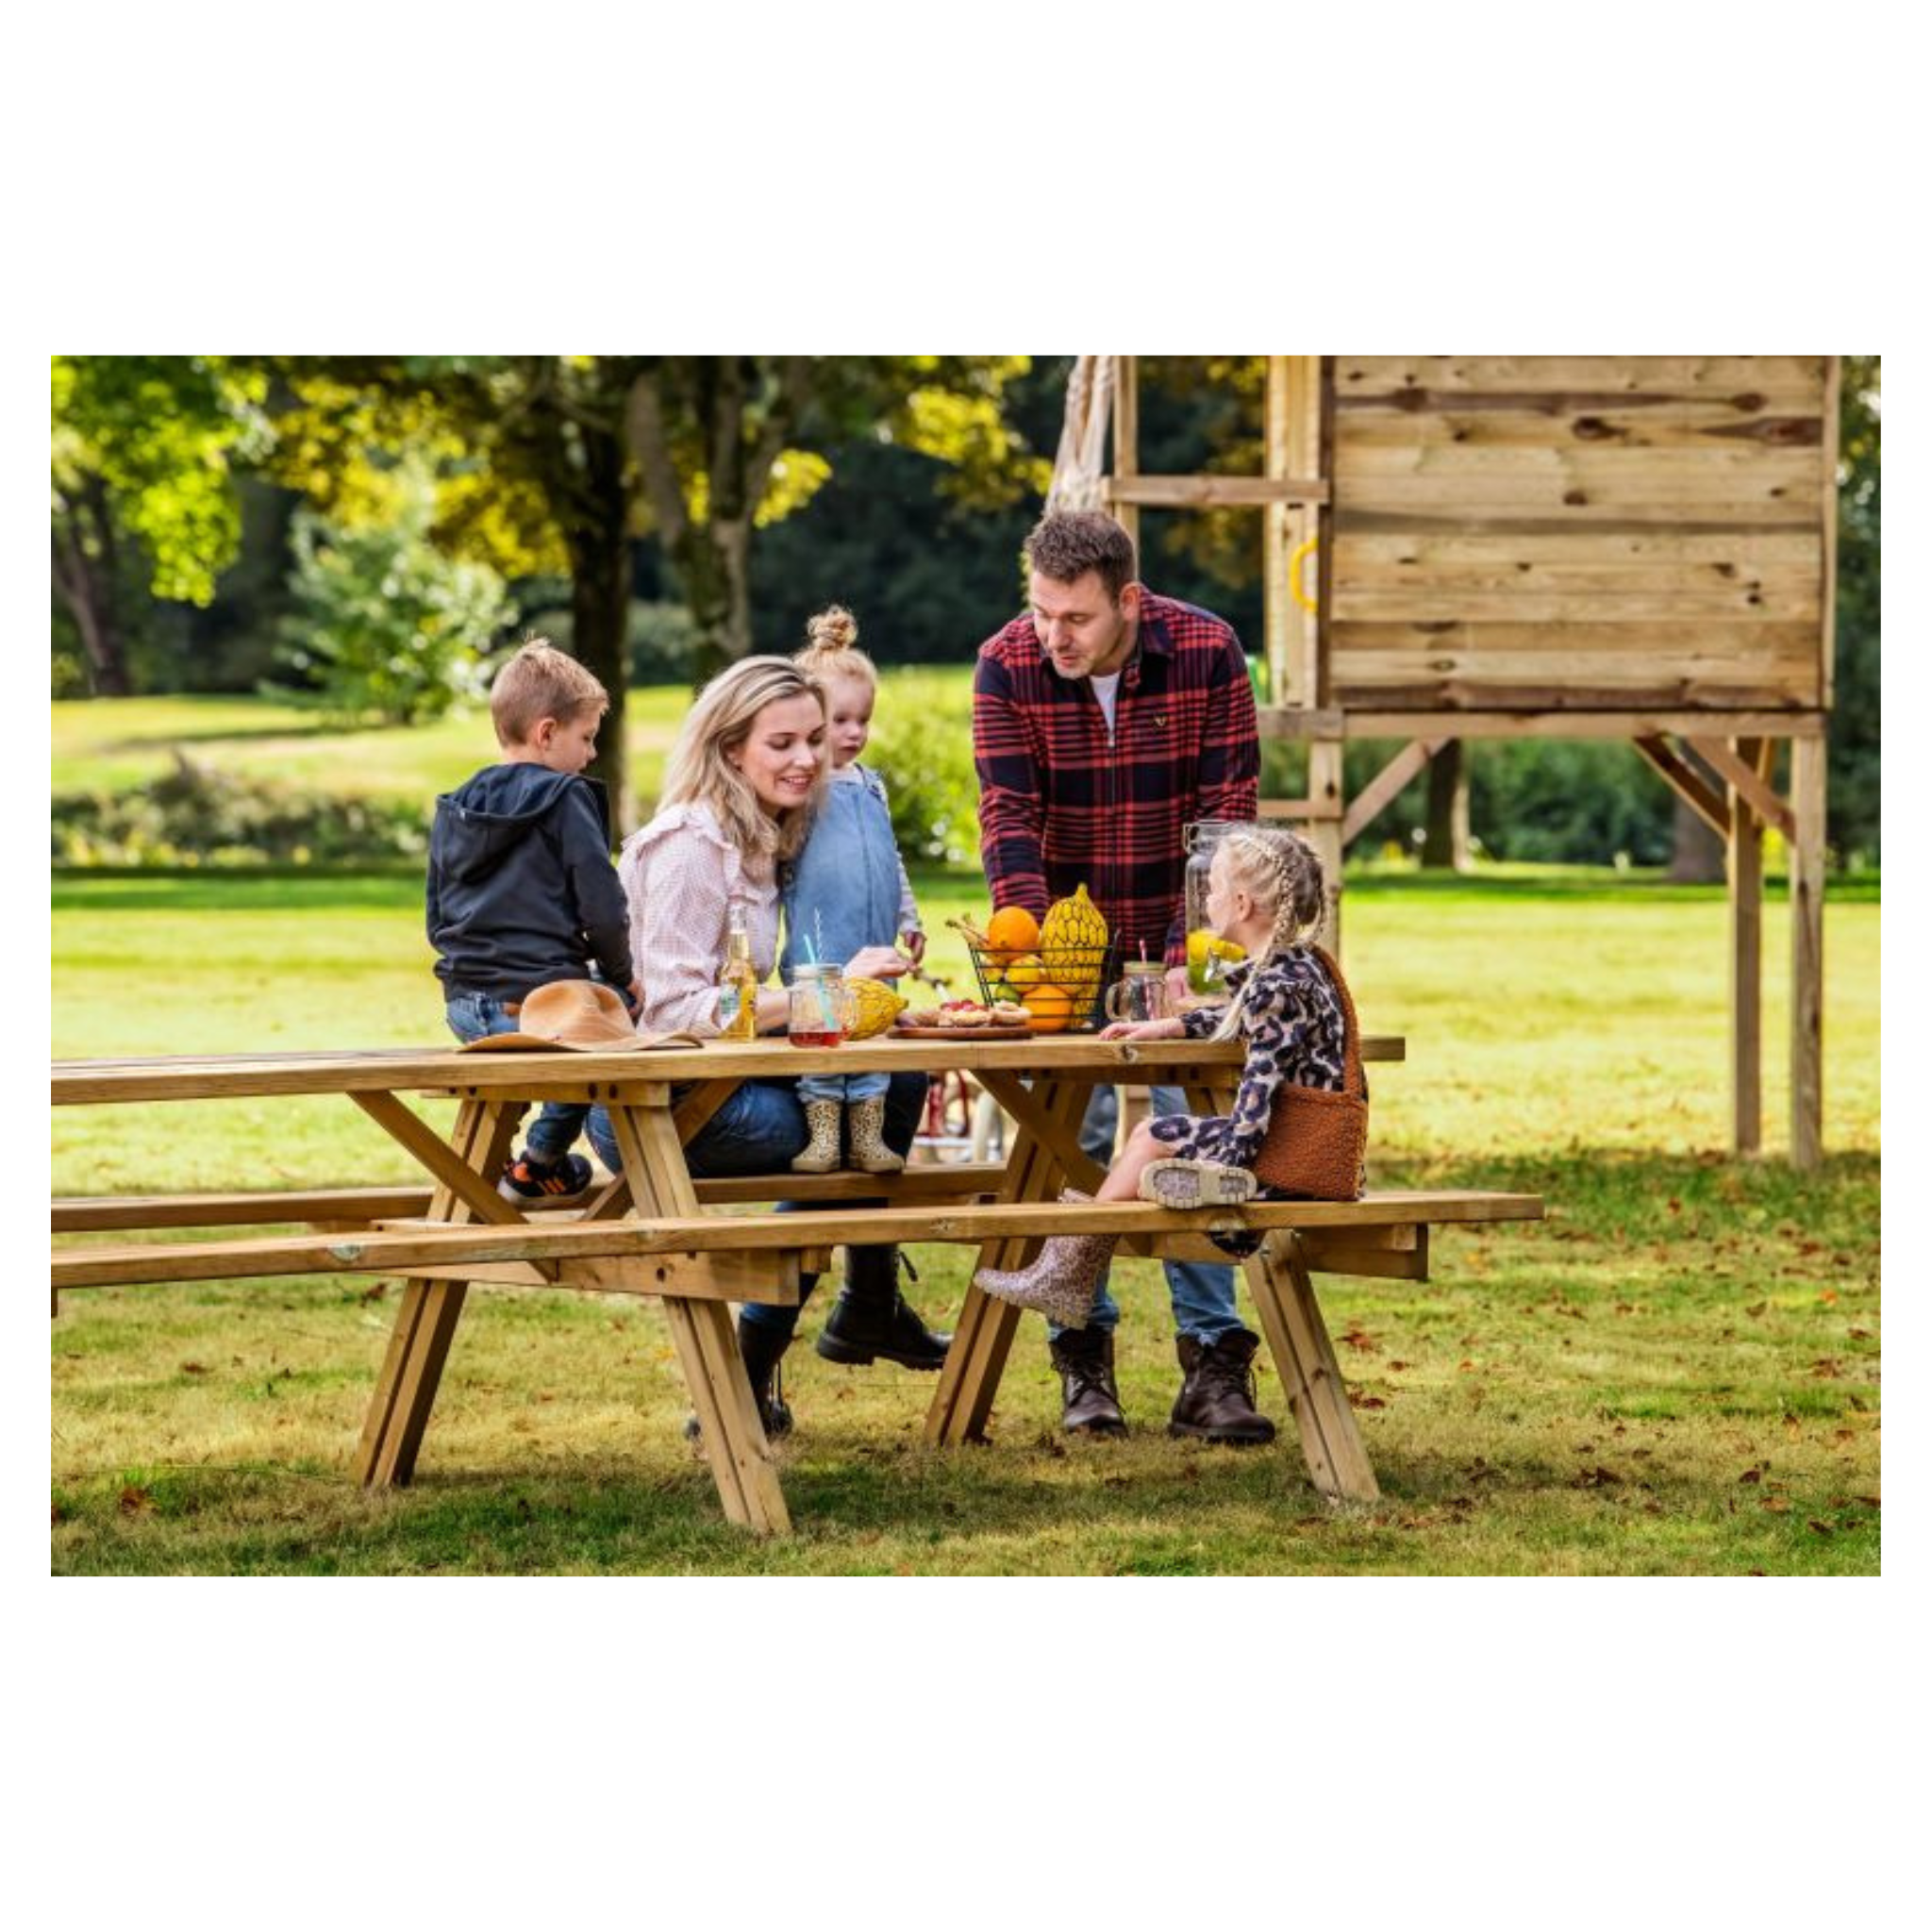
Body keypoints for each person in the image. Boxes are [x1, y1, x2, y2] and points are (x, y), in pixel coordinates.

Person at [584, 656, 947, 1438]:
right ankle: (782, 1356)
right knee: (850, 1133)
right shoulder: (690, 846)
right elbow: (675, 1011)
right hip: (662, 1108)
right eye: (782, 743)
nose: (809, 758)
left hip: (729, 1082)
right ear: (729, 749)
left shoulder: (760, 834)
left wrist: (870, 1010)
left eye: (814, 738)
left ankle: (854, 1311)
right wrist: (831, 994)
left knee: (897, 1083)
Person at [973, 507, 1268, 1441]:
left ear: (1128, 600)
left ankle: (1212, 1364)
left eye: (1076, 618)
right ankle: (1082, 1357)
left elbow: (1225, 820)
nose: (1052, 635)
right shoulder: (1005, 663)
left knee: (1193, 1138)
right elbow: (1007, 814)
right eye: (1041, 612)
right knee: (1076, 1133)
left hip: (1184, 922)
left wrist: (1192, 961)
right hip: (1069, 935)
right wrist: (1035, 953)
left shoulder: (1207, 652)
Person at [974, 828, 1355, 1441]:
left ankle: (1069, 1268)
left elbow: (1252, 1115)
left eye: (1213, 887)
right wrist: (1172, 1027)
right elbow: (1239, 1020)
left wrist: (1214, 1169)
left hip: (1288, 1165)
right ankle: (1070, 1269)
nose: (1204, 898)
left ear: (1242, 905)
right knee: (1153, 1138)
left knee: (1153, 1134)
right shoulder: (1297, 968)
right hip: (1315, 1153)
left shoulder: (1275, 988)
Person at [428, 639, 642, 1202]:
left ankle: (495, 1171)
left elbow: (436, 913)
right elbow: (604, 907)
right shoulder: (565, 797)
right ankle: (539, 1164)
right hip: (542, 1009)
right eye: (587, 737)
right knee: (608, 1035)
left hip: (464, 1007)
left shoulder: (456, 805)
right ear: (546, 733)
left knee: (564, 1046)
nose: (591, 754)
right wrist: (622, 977)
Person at [783, 606, 926, 1175]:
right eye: (839, 720)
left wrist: (909, 916)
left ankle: (867, 1136)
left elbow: (892, 858)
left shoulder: (873, 787)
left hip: (875, 940)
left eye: (863, 720)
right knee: (822, 1033)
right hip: (822, 947)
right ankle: (823, 1134)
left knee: (871, 1035)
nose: (854, 733)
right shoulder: (803, 788)